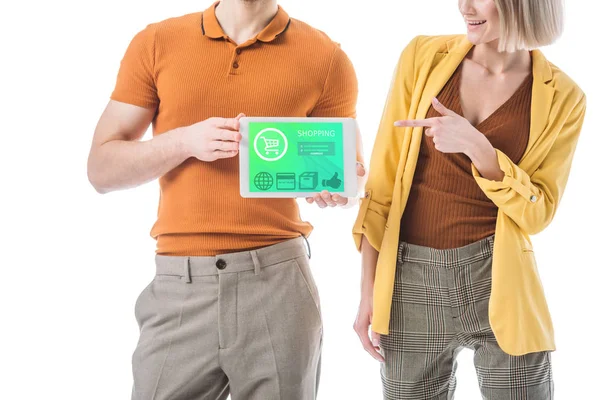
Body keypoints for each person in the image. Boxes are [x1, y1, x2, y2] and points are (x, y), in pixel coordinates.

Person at [87, 1, 364, 399]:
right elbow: (101, 170)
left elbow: (351, 174)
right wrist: (183, 141)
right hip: (179, 286)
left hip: (279, 284)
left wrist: (336, 190)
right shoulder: (156, 42)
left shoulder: (327, 58)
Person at [352, 0, 585, 398]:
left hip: (499, 279)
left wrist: (482, 151)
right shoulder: (423, 57)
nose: (464, 6)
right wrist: (367, 291)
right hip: (410, 281)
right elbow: (383, 186)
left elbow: (539, 211)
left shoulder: (563, 96)